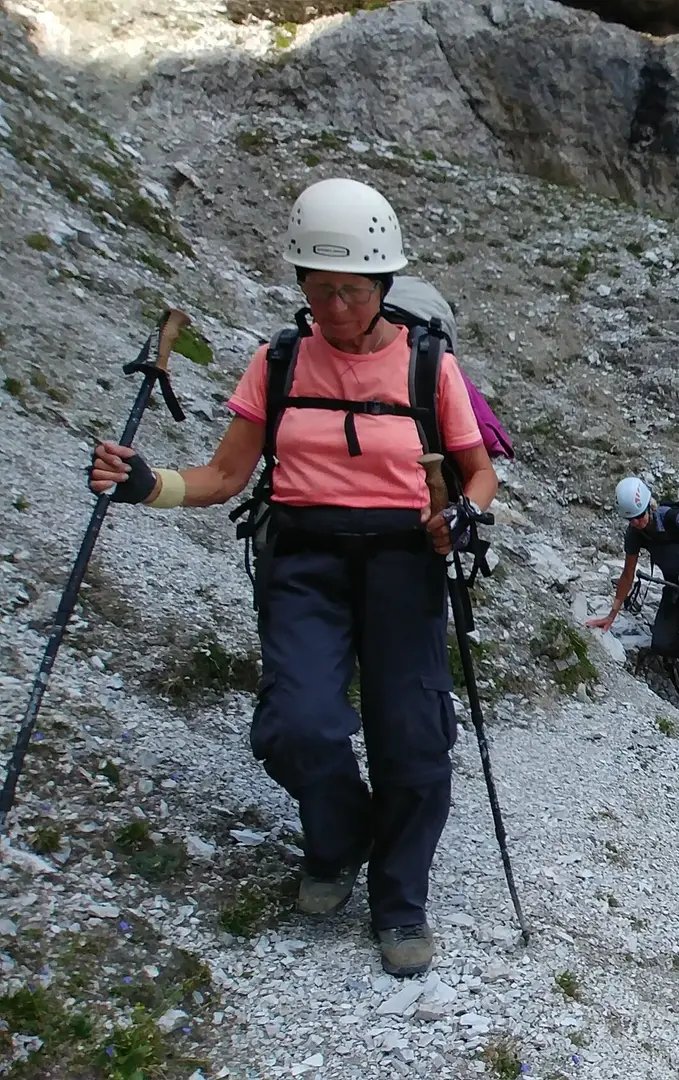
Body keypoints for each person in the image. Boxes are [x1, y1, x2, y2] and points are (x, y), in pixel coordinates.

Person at [87, 177, 498, 977]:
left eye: (351, 291)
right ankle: (341, 837)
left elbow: (477, 471)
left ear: (382, 285)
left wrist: (467, 515)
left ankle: (399, 897)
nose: (336, 309)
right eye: (319, 290)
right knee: (295, 725)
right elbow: (223, 474)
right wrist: (148, 484)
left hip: (405, 564)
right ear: (301, 285)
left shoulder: (428, 369)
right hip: (303, 561)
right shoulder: (276, 363)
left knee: (414, 741)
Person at [586, 477, 679, 719]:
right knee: (661, 642)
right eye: (631, 519)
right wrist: (612, 615)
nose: (637, 522)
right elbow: (627, 574)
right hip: (674, 587)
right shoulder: (634, 533)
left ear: (648, 507)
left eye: (640, 516)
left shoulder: (673, 518)